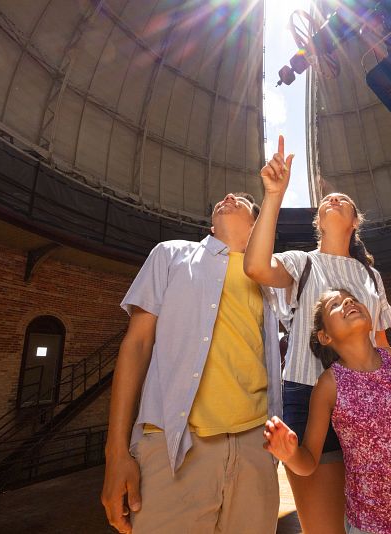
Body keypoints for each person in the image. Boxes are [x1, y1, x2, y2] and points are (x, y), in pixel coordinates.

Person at [100, 193, 282, 534]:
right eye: (225, 198)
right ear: (211, 225)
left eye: (242, 201)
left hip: (255, 445)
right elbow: (136, 344)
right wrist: (116, 453)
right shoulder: (169, 254)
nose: (229, 196)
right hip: (174, 446)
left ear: (257, 224)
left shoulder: (270, 278)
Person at [244, 136, 391, 533]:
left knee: (381, 514)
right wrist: (273, 195)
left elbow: (380, 344)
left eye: (343, 201)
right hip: (306, 391)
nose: (333, 200)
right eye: (327, 200)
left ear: (354, 222)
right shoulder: (302, 262)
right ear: (318, 221)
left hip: (369, 401)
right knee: (324, 525)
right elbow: (257, 267)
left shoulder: (370, 275)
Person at [264, 289, 391, 534]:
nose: (347, 302)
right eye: (335, 305)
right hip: (370, 525)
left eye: (352, 299)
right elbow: (309, 463)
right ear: (325, 337)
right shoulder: (328, 385)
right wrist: (291, 455)